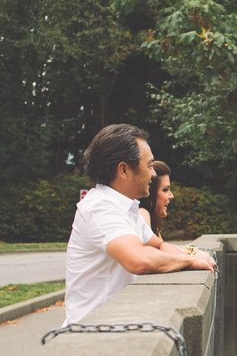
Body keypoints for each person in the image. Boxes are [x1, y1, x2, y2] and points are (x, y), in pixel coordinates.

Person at [63, 124, 215, 327]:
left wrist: (192, 254)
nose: (153, 174)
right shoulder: (100, 207)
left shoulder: (126, 207)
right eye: (149, 166)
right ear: (124, 169)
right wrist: (190, 261)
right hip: (90, 337)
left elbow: (158, 246)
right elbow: (139, 260)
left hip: (111, 328)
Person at [138, 160, 173, 237]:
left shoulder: (153, 222)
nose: (171, 196)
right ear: (151, 193)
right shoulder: (143, 214)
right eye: (165, 190)